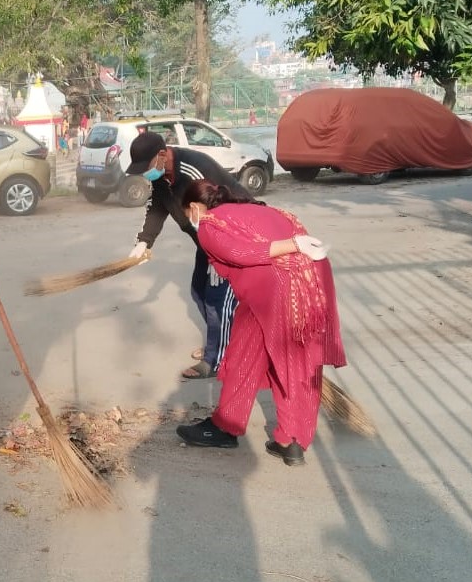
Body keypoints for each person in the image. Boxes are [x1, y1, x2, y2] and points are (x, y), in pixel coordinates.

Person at [175, 179, 346, 465]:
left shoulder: (209, 223)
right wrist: (295, 245)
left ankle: (268, 434)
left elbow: (240, 254)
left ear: (194, 207)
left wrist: (291, 245)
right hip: (312, 282)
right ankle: (280, 439)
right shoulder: (262, 209)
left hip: (276, 290)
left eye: (187, 214)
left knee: (288, 361)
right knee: (274, 357)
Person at [125, 131, 254, 379]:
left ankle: (215, 359)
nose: (145, 173)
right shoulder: (161, 176)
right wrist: (144, 242)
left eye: (148, 165)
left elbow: (219, 210)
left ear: (162, 155)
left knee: (217, 299)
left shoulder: (194, 170)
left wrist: (220, 254)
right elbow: (157, 207)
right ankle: (222, 344)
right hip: (205, 239)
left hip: (229, 235)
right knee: (199, 291)